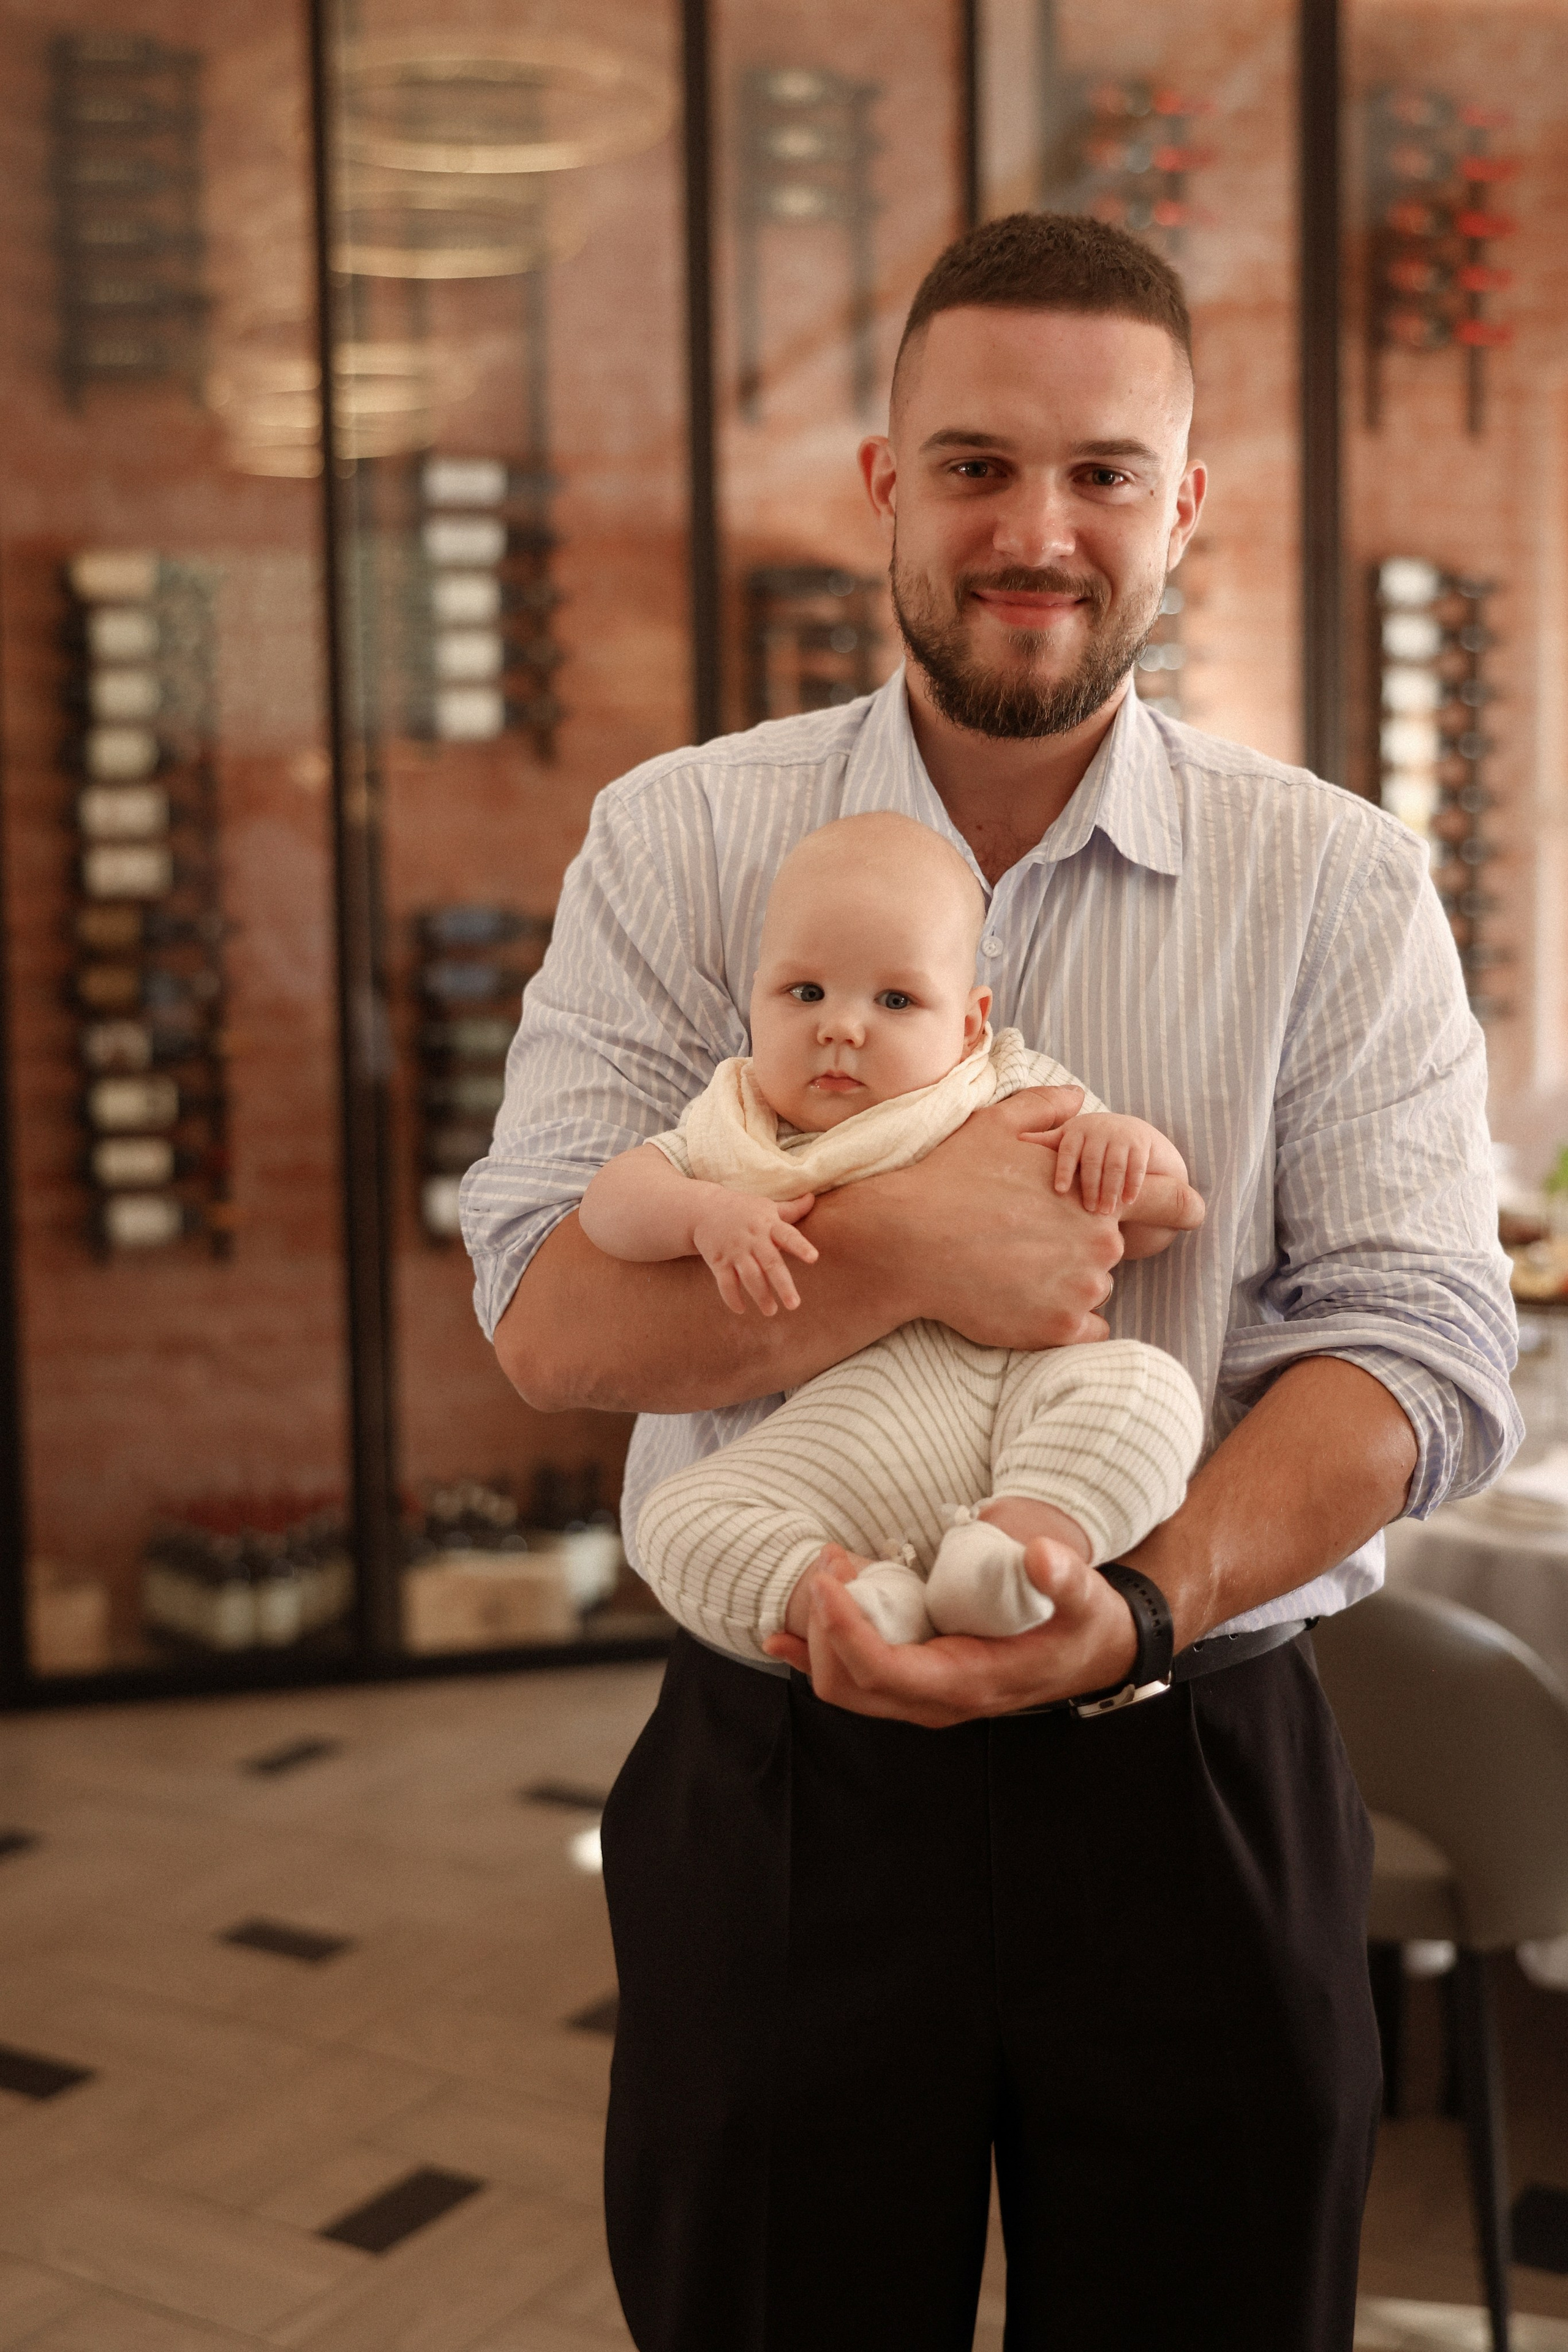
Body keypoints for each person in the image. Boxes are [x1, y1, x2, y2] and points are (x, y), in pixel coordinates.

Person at [461, 211, 1520, 2352]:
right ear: (883, 484)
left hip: (1192, 1750)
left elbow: (1418, 1342)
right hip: (783, 1783)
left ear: (1183, 504)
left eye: (1103, 474)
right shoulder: (679, 842)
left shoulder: (1335, 879)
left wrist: (1137, 1599)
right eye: (973, 465)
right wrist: (907, 1248)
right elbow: (557, 1319)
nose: (1037, 530)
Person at [579, 807, 1205, 1652]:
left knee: (1149, 1392)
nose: (840, 1026)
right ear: (753, 1001)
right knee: (675, 1519)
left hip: (1020, 1400)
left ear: (971, 1025)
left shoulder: (1005, 1090)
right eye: (805, 993)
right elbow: (609, 1205)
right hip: (833, 1442)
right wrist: (704, 1214)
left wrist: (1122, 1145)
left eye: (896, 999)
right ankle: (849, 1599)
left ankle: (1016, 1551)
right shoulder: (742, 1126)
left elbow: (1159, 1220)